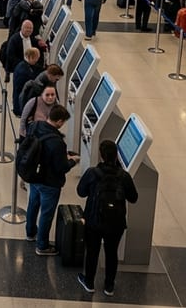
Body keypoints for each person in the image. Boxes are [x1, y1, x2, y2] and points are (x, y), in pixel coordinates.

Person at [76, 139, 139, 297]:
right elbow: (133, 198)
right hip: (116, 223)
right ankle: (109, 286)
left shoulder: (92, 173)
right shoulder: (124, 176)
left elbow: (81, 192)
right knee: (111, 253)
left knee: (92, 251)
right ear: (116, 155)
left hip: (93, 220)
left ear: (101, 155)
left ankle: (89, 282)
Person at [25, 106, 77, 256]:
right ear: (59, 122)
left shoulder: (35, 126)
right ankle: (42, 246)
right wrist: (73, 161)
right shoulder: (58, 142)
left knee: (33, 205)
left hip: (34, 175)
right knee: (46, 214)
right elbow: (61, 167)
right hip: (50, 183)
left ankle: (30, 233)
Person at [11, 48, 44, 117]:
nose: (37, 60)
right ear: (31, 57)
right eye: (36, 58)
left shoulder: (24, 65)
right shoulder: (23, 71)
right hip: (20, 105)